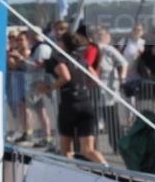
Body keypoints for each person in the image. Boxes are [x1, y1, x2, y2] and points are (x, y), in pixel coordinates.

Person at [38, 32, 107, 165]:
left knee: (66, 151)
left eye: (59, 41)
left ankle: (71, 176)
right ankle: (110, 170)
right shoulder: (81, 59)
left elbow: (66, 76)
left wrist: (49, 88)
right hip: (85, 103)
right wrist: (81, 84)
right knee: (88, 150)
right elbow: (95, 80)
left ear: (63, 44)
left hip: (69, 105)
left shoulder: (58, 58)